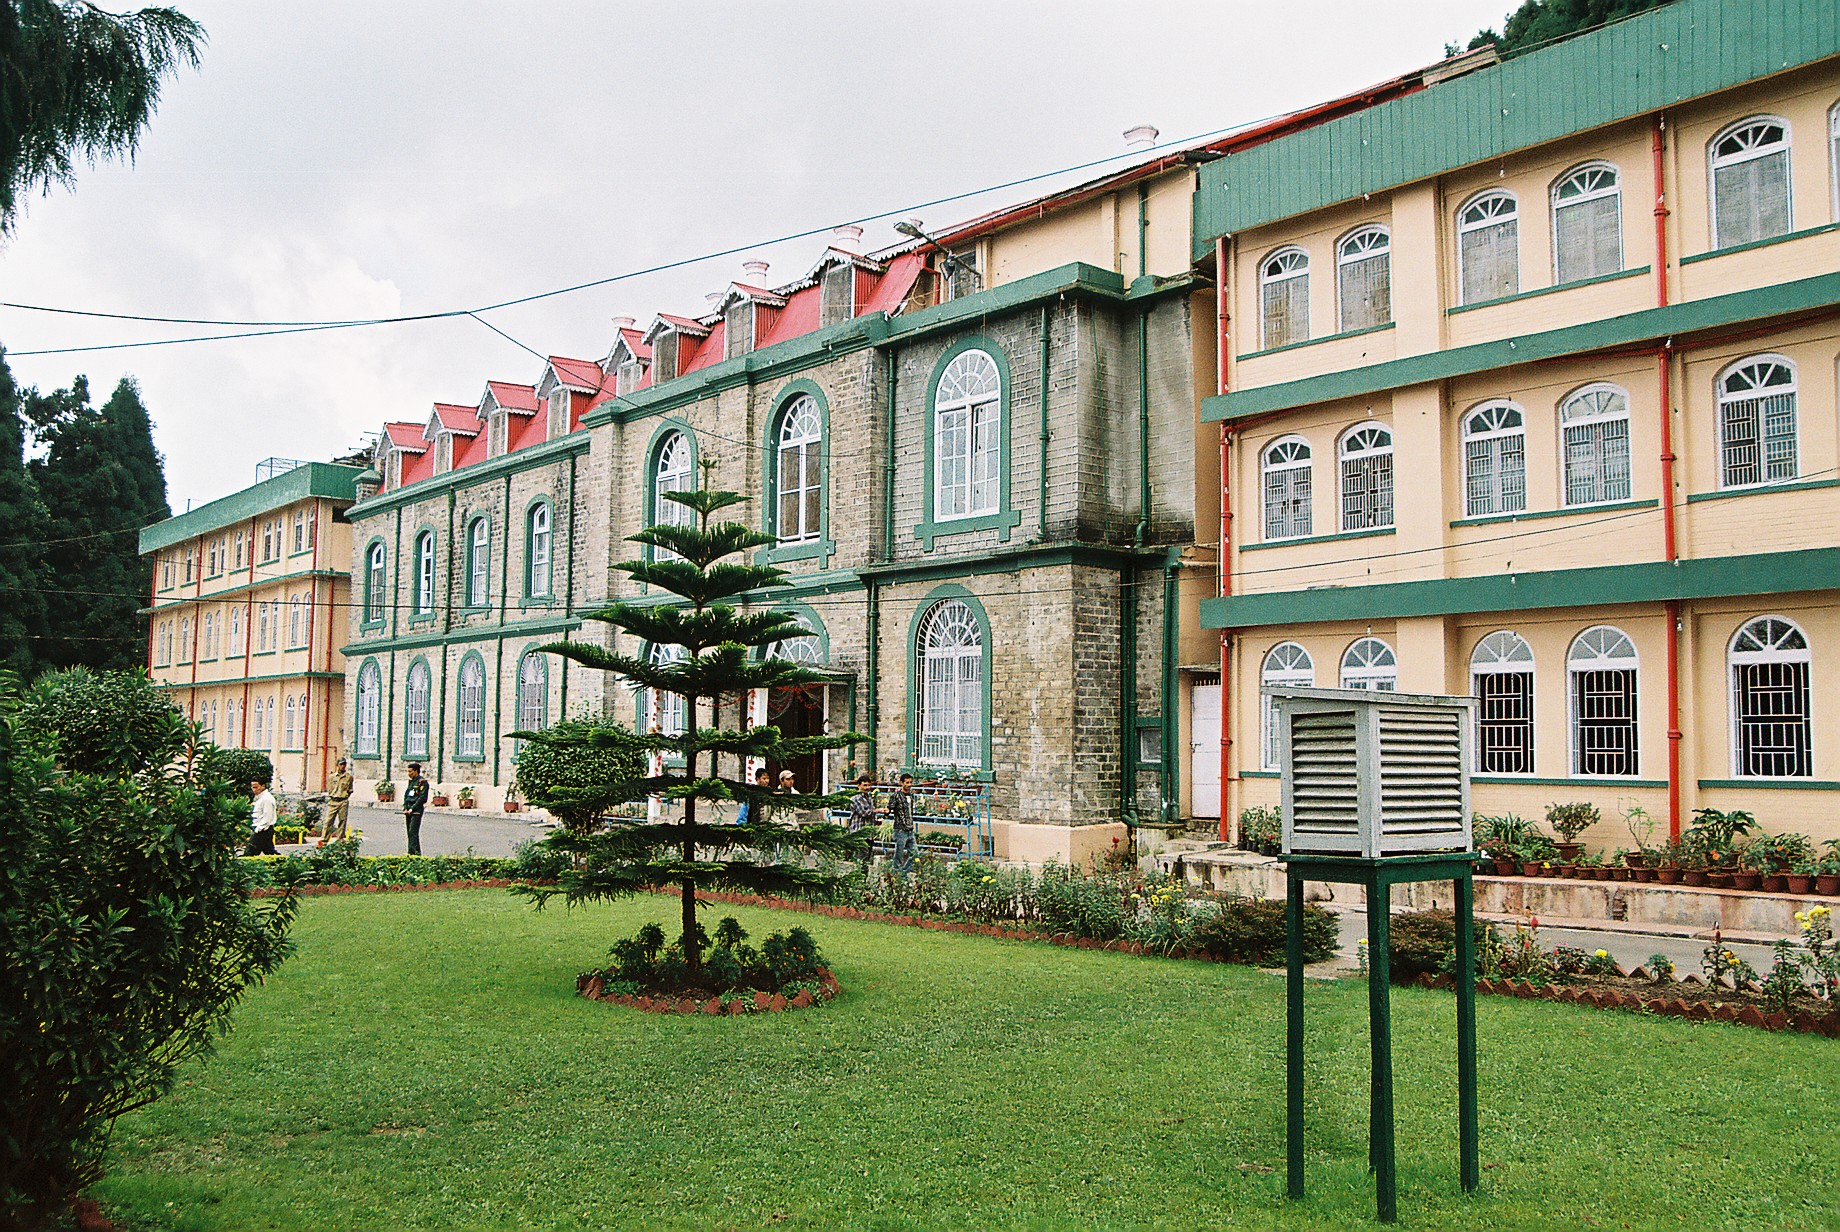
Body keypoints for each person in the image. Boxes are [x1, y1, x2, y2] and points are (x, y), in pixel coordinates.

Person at [846, 773, 878, 870]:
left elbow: (871, 815)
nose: (867, 787)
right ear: (859, 786)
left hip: (868, 833)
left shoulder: (869, 798)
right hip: (859, 832)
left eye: (869, 785)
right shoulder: (855, 799)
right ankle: (858, 879)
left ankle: (863, 879)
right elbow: (865, 813)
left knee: (867, 858)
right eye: (865, 785)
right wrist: (878, 810)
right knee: (860, 858)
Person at [888, 772, 917, 874]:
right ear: (901, 783)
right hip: (900, 829)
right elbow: (890, 808)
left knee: (914, 853)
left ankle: (904, 872)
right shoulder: (896, 796)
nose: (909, 785)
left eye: (910, 783)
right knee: (899, 854)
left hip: (910, 828)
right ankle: (895, 873)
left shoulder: (911, 796)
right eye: (907, 783)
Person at [244, 776, 278, 856]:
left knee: (249, 853)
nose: (254, 790)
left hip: (263, 830)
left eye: (256, 787)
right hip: (262, 829)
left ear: (263, 786)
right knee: (270, 852)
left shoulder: (266, 799)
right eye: (252, 787)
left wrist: (258, 829)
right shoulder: (260, 798)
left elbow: (267, 817)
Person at [402, 762, 430, 856]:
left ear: (416, 771)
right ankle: (414, 853)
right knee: (409, 833)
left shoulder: (422, 782)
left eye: (410, 771)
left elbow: (422, 798)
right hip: (408, 810)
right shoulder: (411, 781)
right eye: (408, 771)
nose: (409, 773)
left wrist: (412, 809)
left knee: (413, 832)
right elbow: (407, 795)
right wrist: (405, 807)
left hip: (416, 811)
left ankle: (413, 853)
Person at [322, 757, 354, 842]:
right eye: (341, 764)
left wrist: (345, 795)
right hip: (333, 801)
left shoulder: (349, 777)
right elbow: (329, 788)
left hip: (343, 801)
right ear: (337, 765)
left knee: (342, 821)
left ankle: (340, 839)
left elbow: (350, 789)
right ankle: (324, 840)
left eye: (344, 764)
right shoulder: (332, 777)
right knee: (328, 821)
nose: (342, 766)